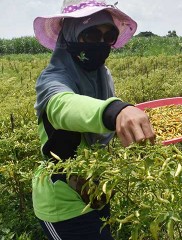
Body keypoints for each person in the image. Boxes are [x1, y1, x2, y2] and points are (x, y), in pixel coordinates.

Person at [32, 0, 155, 239]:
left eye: (108, 36)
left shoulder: (102, 75)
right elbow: (64, 106)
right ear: (70, 35)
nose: (100, 44)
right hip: (64, 208)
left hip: (97, 193)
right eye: (90, 36)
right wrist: (115, 111)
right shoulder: (52, 80)